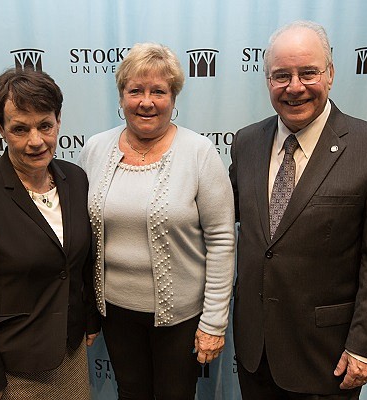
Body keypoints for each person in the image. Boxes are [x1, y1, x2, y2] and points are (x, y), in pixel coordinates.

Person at [229, 21, 367, 399]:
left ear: (330, 74)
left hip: (327, 358)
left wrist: (365, 345)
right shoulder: (246, 143)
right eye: (281, 75)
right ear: (267, 81)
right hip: (254, 351)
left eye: (308, 72)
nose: (294, 87)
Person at [79, 42, 235, 400]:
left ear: (173, 97)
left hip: (179, 319)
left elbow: (223, 240)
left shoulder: (199, 153)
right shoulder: (95, 150)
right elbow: (81, 236)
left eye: (158, 91)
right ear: (121, 97)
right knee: (131, 394)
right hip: (115, 313)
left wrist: (213, 322)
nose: (146, 101)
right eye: (135, 90)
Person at [0, 68, 100, 400]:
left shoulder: (75, 179)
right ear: (0, 129)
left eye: (45, 125)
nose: (36, 141)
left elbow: (79, 263)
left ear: (58, 121)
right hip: (11, 368)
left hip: (70, 356)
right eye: (20, 129)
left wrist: (88, 318)